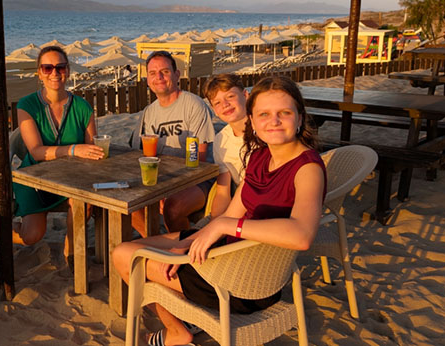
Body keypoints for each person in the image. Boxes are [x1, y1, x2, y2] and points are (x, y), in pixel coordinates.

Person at [113, 75, 326, 346]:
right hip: (231, 256)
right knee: (138, 246)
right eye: (264, 114)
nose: (273, 121)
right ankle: (187, 315)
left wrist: (224, 227)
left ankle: (177, 330)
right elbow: (232, 211)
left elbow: (302, 234)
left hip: (244, 283)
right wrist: (187, 244)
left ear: (299, 117)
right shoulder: (260, 156)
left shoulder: (307, 168)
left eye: (284, 113)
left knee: (124, 257)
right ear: (253, 120)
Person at [11, 45, 104, 260]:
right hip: (35, 179)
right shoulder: (27, 105)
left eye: (60, 67)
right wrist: (73, 149)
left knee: (84, 202)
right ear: (39, 73)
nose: (55, 73)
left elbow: (92, 149)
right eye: (48, 68)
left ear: (68, 71)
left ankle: (70, 251)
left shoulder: (82, 107)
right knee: (32, 235)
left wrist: (90, 153)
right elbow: (36, 152)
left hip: (71, 179)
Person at [130, 50, 216, 235]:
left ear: (177, 75)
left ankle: (185, 247)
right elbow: (145, 156)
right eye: (153, 73)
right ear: (147, 80)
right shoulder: (149, 112)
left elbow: (200, 160)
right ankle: (157, 243)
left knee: (173, 208)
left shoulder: (194, 105)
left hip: (199, 180)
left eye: (165, 71)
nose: (159, 77)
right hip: (163, 179)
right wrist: (160, 188)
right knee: (128, 203)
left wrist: (169, 190)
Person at [202, 74, 249, 219]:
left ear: (245, 95)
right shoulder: (220, 140)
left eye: (230, 96)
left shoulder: (265, 131)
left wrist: (222, 225)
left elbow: (250, 187)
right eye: (217, 102)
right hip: (236, 208)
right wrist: (215, 221)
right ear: (214, 110)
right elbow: (223, 192)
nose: (225, 104)